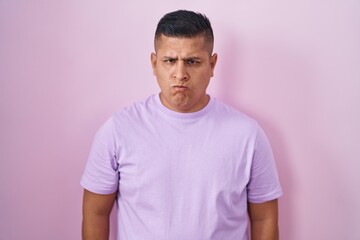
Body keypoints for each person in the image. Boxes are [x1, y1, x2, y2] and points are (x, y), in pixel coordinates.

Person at [81, 9, 282, 240]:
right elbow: (95, 213)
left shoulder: (247, 135)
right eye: (169, 61)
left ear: (212, 64)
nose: (180, 74)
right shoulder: (118, 131)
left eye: (192, 62)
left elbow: (264, 218)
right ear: (154, 63)